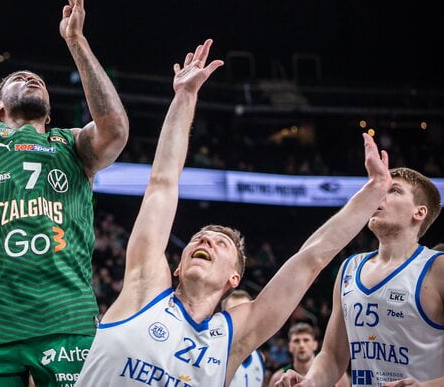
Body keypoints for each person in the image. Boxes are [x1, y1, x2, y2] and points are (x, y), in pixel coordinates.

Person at [76, 39, 393, 386]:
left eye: (221, 244)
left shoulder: (234, 338)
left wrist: (373, 193)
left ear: (234, 279)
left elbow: (310, 261)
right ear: (177, 268)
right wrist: (185, 97)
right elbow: (162, 184)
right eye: (200, 238)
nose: (206, 241)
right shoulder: (145, 289)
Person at [0, 0, 129, 387]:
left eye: (37, 79)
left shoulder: (73, 145)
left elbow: (115, 130)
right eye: (16, 78)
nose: (30, 77)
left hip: (67, 320)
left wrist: (77, 42)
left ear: (50, 111)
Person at [274, 168, 443, 387]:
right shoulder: (349, 268)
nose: (380, 196)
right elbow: (333, 356)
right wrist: (310, 382)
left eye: (394, 190)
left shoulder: (437, 268)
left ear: (419, 212)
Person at [268, 322, 349, 387]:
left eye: (306, 340)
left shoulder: (337, 374)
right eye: (296, 341)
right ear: (290, 346)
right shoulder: (278, 378)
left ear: (315, 345)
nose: (301, 345)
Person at [221, 290, 266, 387]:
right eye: (234, 312)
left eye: (246, 312)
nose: (241, 318)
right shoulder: (213, 354)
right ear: (223, 317)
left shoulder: (259, 357)